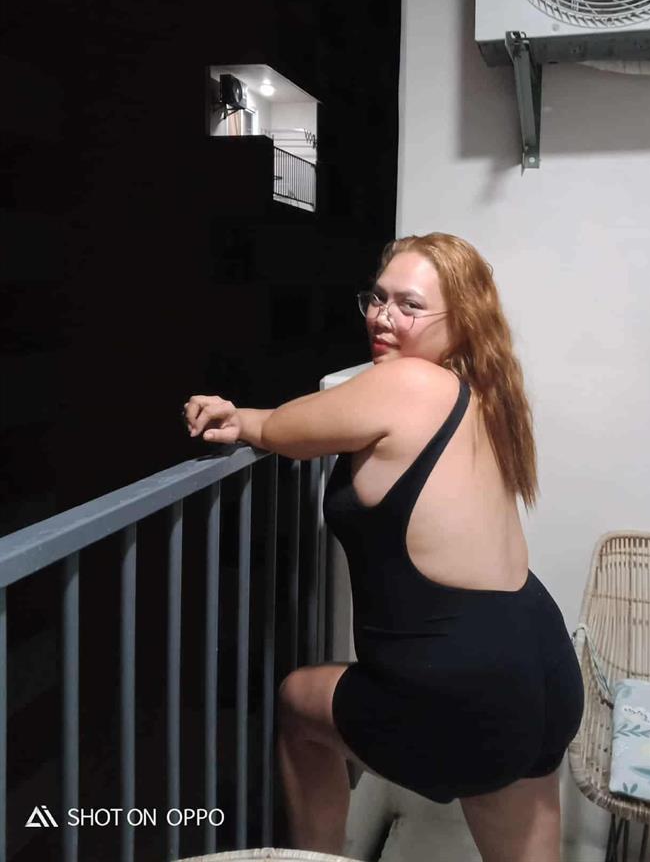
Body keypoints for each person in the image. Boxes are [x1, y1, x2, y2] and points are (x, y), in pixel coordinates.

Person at [183, 232, 584, 862]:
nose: (382, 316)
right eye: (377, 298)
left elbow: (282, 428)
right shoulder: (483, 392)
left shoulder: (408, 383)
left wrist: (238, 416)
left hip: (467, 689)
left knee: (297, 703)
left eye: (409, 305)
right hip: (542, 666)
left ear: (462, 322)